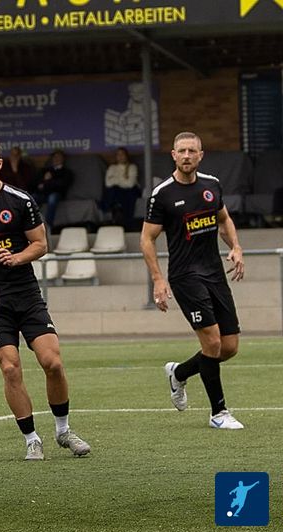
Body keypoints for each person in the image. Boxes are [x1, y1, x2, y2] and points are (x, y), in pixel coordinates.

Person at [0, 136, 92, 461]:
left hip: (26, 295)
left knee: (52, 362)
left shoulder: (20, 200)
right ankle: (31, 439)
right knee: (10, 368)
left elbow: (41, 244)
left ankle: (63, 431)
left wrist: (17, 257)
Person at [141, 132, 246, 430]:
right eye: (182, 151)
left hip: (215, 273)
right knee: (212, 341)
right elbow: (147, 239)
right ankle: (218, 413)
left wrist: (236, 247)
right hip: (185, 276)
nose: (187, 156)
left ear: (201, 155)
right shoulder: (162, 194)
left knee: (229, 347)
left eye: (192, 151)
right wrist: (158, 279)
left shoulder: (211, 185)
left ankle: (179, 373)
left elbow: (224, 219)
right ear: (173, 155)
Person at [33, 149, 74, 229]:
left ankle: (48, 226)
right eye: (55, 157)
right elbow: (37, 183)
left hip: (57, 194)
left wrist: (47, 182)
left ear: (63, 159)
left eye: (59, 157)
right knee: (32, 199)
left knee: (52, 198)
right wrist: (45, 181)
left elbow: (61, 185)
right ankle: (32, 225)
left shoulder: (66, 172)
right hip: (43, 194)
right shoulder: (45, 170)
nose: (56, 159)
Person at [103, 147, 140, 227]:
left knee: (129, 193)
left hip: (131, 190)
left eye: (122, 154)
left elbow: (130, 184)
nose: (120, 157)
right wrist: (123, 179)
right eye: (118, 155)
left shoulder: (132, 167)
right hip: (117, 190)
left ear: (126, 156)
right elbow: (108, 183)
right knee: (113, 191)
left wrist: (115, 179)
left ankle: (128, 221)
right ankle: (113, 217)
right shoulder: (112, 168)